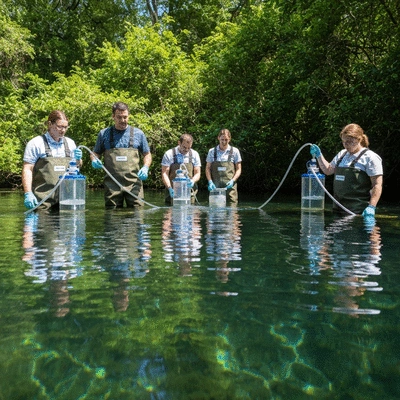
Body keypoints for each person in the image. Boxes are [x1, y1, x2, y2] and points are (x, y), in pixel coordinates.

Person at [310, 123, 383, 217]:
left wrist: (372, 207)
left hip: (358, 212)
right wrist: (319, 156)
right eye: (344, 142)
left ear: (359, 139)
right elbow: (328, 170)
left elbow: (377, 185)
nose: (346, 145)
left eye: (349, 141)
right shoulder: (342, 154)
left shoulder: (371, 157)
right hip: (338, 209)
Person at [91, 102, 152, 208]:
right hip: (112, 184)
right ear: (113, 116)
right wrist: (94, 160)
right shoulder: (104, 134)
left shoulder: (139, 133)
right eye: (119, 117)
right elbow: (95, 153)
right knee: (112, 213)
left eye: (125, 117)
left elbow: (147, 154)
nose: (123, 120)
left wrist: (146, 167)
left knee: (137, 212)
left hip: (133, 184)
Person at [22, 110, 83, 210]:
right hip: (43, 202)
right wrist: (28, 193)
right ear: (50, 124)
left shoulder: (70, 143)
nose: (63, 130)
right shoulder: (36, 143)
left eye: (65, 127)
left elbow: (77, 167)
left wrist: (78, 159)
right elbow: (27, 168)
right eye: (59, 126)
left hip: (67, 201)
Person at [161, 133, 201, 204]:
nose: (186, 150)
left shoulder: (195, 154)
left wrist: (192, 181)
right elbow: (164, 173)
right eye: (184, 147)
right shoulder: (169, 154)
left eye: (189, 148)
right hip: (172, 191)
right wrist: (170, 188)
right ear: (179, 143)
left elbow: (197, 173)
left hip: (189, 193)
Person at [205, 128, 242, 204]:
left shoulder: (235, 151)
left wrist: (233, 180)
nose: (224, 142)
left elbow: (239, 169)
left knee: (232, 208)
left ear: (229, 139)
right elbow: (207, 168)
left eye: (226, 139)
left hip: (230, 188)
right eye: (222, 139)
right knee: (215, 208)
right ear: (218, 138)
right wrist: (210, 181)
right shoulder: (211, 151)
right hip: (215, 187)